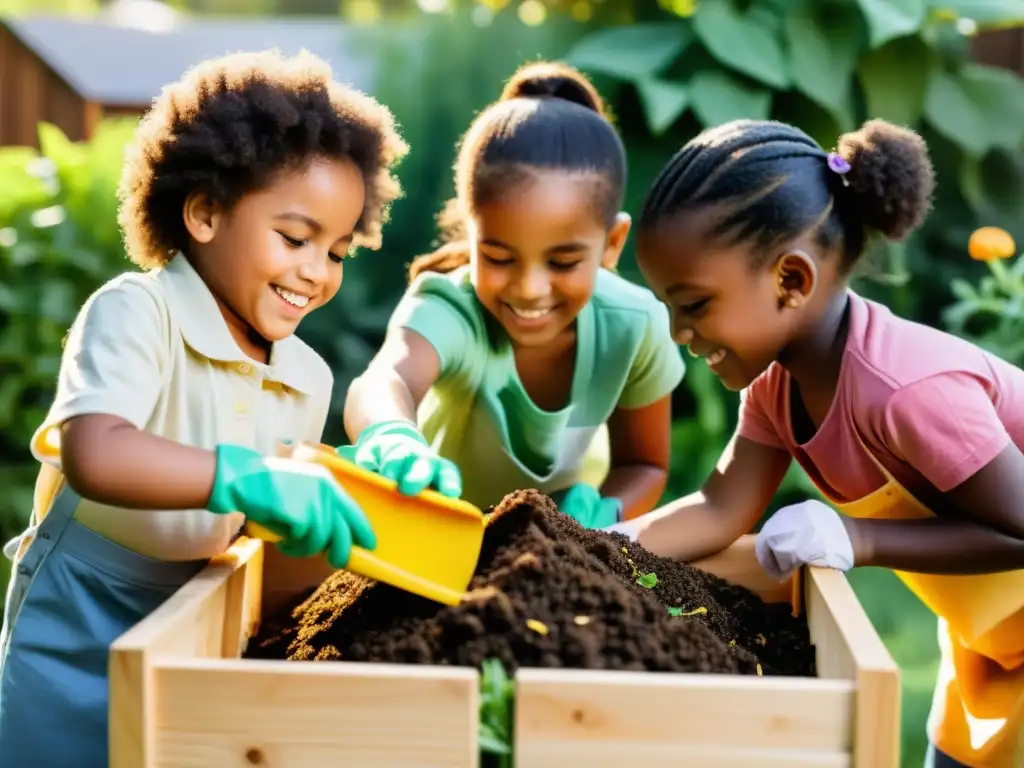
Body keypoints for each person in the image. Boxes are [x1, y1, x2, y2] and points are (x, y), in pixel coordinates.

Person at [0, 49, 407, 766]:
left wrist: (344, 512)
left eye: (339, 251)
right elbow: (96, 452)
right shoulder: (137, 313)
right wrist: (244, 475)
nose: (316, 272)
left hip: (192, 622)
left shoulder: (304, 376)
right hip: (77, 625)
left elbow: (260, 541)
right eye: (294, 238)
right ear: (204, 212)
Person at [606, 117, 1024, 767]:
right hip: (991, 639)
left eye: (693, 304)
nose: (678, 332)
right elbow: (719, 510)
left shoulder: (909, 391)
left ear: (791, 282)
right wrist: (605, 550)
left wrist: (860, 540)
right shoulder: (776, 390)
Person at [342, 61, 685, 526]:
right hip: (438, 541)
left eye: (563, 262)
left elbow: (644, 465)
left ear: (612, 244)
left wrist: (604, 514)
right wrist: (392, 435)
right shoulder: (451, 308)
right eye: (499, 258)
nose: (529, 289)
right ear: (471, 235)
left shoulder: (634, 325)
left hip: (570, 557)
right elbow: (386, 382)